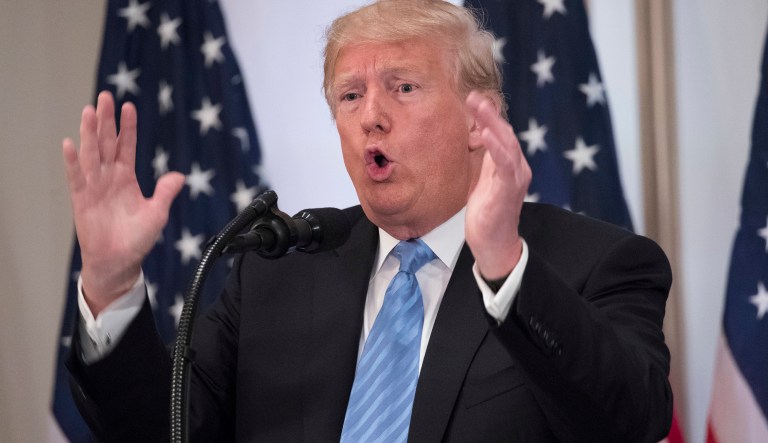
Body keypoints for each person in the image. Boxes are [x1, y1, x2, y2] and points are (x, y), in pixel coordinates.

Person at [62, 0, 673, 441]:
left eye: (403, 87)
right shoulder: (275, 276)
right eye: (350, 96)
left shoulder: (598, 265)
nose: (370, 117)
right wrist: (112, 286)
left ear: (475, 119)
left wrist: (504, 266)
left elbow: (627, 422)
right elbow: (165, 431)